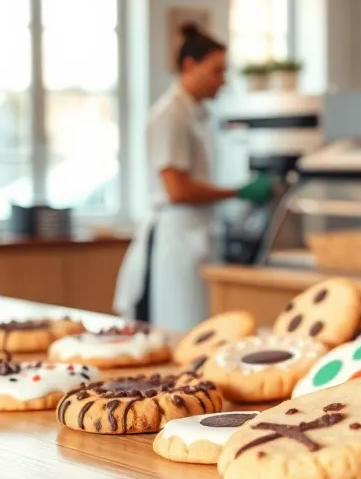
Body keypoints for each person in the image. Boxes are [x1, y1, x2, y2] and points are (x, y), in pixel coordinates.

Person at [113, 24, 273, 329]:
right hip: (175, 238)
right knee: (180, 326)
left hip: (198, 233)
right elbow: (177, 189)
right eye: (216, 71)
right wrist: (239, 192)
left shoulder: (199, 115)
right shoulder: (169, 115)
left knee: (200, 324)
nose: (222, 81)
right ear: (189, 65)